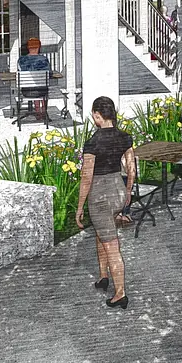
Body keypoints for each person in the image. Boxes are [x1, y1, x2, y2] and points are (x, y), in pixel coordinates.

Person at [77, 96, 137, 309]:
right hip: (118, 192)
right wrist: (128, 191)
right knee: (102, 234)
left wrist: (79, 207)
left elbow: (86, 177)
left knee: (112, 246)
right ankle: (103, 276)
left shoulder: (93, 143)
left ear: (97, 115)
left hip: (100, 196)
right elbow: (131, 167)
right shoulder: (125, 137)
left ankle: (120, 293)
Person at [17, 37, 50, 119]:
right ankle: (44, 112)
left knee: (33, 86)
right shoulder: (44, 59)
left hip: (27, 92)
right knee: (42, 86)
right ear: (38, 47)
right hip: (41, 92)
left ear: (28, 47)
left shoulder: (21, 60)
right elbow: (50, 74)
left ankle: (38, 113)